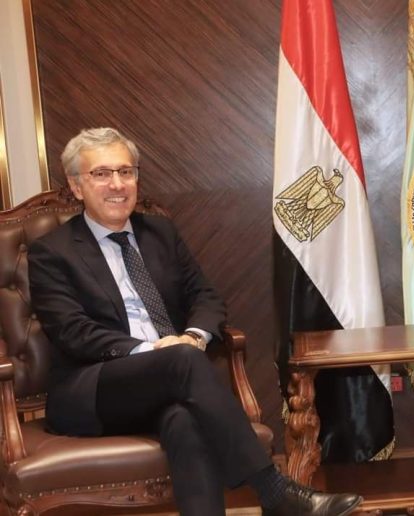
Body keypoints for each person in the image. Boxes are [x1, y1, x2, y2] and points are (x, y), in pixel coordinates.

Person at [27, 127, 362, 516]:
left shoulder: (160, 232)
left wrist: (193, 336)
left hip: (171, 380)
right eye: (101, 174)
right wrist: (156, 350)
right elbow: (72, 332)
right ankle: (273, 491)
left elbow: (205, 296)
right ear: (76, 186)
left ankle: (269, 497)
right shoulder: (52, 252)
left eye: (126, 171)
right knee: (182, 361)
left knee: (183, 419)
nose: (117, 184)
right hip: (92, 389)